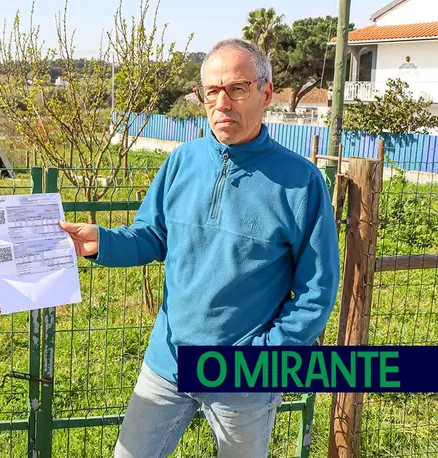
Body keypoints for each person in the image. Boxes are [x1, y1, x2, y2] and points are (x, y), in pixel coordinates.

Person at [59, 39, 340, 458]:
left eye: (237, 88)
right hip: (167, 361)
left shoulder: (301, 182)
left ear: (265, 92)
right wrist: (104, 242)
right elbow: (152, 235)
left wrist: (264, 356)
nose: (222, 103)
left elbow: (317, 290)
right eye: (211, 91)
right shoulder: (181, 161)